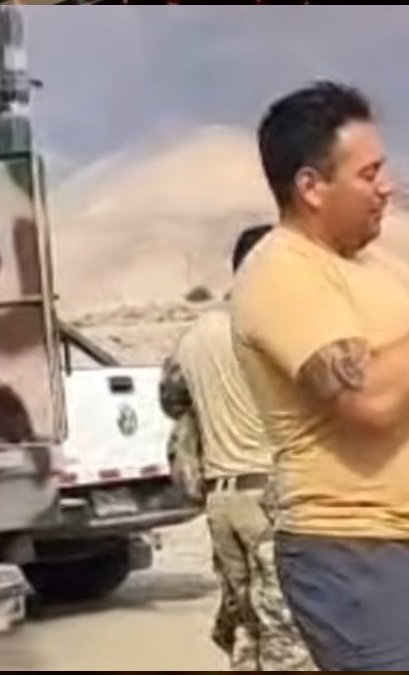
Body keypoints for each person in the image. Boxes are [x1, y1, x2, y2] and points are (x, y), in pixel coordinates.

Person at [230, 80, 409, 671]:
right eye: (369, 174)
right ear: (311, 187)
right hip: (352, 550)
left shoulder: (382, 268)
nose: (387, 187)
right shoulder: (282, 270)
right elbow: (372, 401)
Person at [160, 223, 314, 671]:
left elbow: (171, 401)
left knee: (246, 627)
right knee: (288, 635)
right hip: (269, 501)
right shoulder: (272, 331)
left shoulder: (195, 336)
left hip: (221, 503)